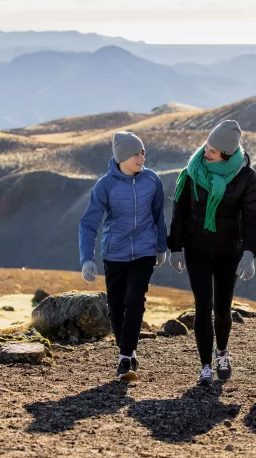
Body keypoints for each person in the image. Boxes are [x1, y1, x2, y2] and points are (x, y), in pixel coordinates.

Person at [167, 120, 256, 386]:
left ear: (227, 156)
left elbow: (253, 218)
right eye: (207, 146)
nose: (206, 152)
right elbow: (180, 210)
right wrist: (174, 246)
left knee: (222, 308)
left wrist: (249, 253)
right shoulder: (192, 170)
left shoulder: (246, 176)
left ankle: (222, 352)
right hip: (196, 247)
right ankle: (205, 365)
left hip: (227, 251)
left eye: (213, 151)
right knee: (202, 305)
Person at [78, 131, 168, 382]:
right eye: (137, 154)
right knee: (116, 306)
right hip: (114, 253)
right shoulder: (105, 185)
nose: (142, 157)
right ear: (123, 157)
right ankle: (125, 352)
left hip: (144, 251)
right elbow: (88, 224)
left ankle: (126, 356)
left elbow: (159, 216)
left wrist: (161, 247)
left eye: (143, 153)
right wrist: (87, 258)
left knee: (134, 299)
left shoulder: (152, 180)